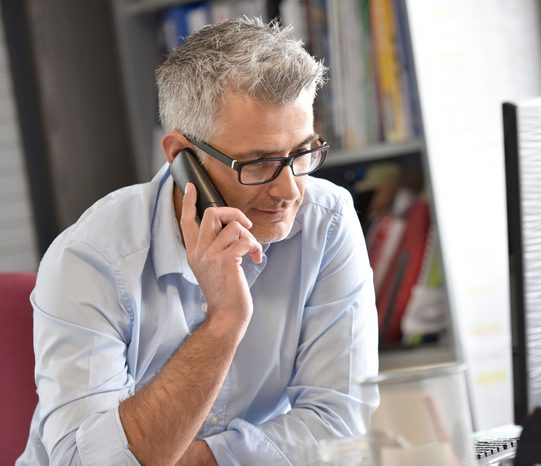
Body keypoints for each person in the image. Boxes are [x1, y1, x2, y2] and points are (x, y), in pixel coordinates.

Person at [17, 17, 378, 466]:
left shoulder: (325, 220)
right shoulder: (91, 260)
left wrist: (181, 459)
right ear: (181, 156)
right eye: (259, 162)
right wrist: (224, 322)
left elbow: (342, 425)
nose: (289, 191)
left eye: (302, 153)